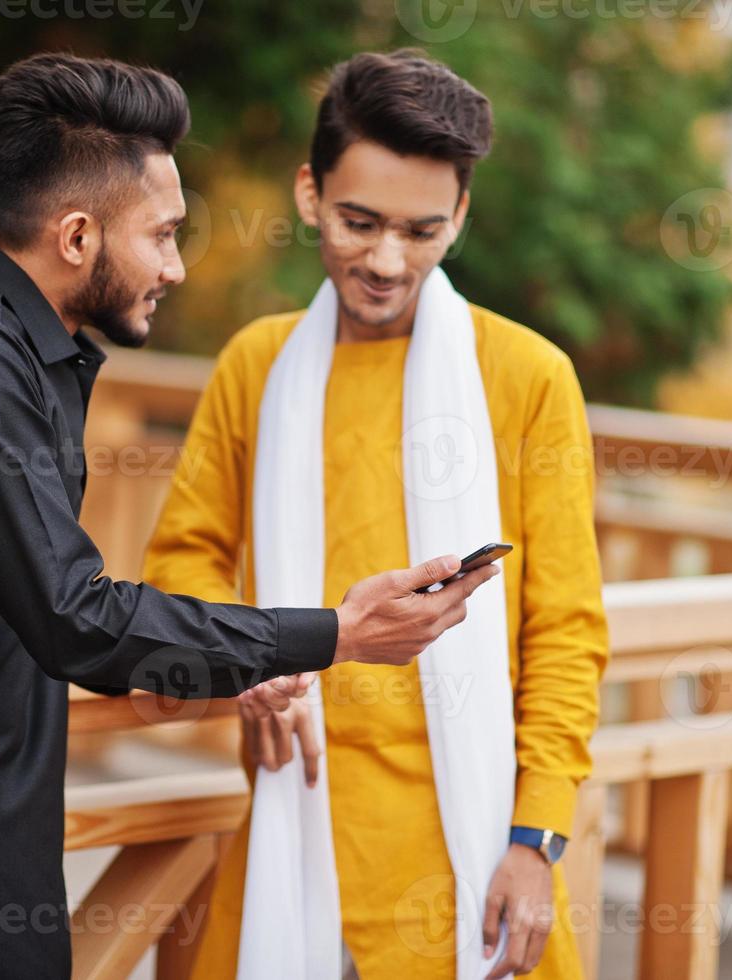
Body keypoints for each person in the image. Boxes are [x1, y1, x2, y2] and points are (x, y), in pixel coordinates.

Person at [0, 52, 499, 979]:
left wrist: (246, 657)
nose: (176, 267)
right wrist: (335, 632)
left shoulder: (22, 355)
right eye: (164, 235)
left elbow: (47, 611)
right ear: (76, 237)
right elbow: (74, 615)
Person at [142, 50, 609, 979]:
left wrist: (537, 838)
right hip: (290, 817)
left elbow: (563, 626)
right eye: (358, 222)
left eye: (421, 230)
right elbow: (181, 564)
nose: (386, 261)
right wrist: (250, 664)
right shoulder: (256, 366)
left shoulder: (525, 377)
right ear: (310, 193)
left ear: (461, 216)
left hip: (468, 856)